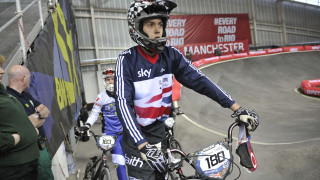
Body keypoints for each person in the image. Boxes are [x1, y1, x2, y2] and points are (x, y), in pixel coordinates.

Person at [114, 1, 260, 179]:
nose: (157, 29)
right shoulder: (126, 60)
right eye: (150, 24)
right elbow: (122, 104)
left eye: (160, 24)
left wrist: (237, 108)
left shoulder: (171, 55)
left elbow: (200, 81)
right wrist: (142, 144)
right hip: (138, 140)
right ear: (136, 28)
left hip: (161, 134)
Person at [6, 65, 54, 180]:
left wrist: (38, 116)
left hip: (40, 146)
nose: (30, 79)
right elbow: (27, 125)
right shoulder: (9, 99)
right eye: (28, 77)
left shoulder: (25, 95)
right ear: (22, 78)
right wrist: (39, 115)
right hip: (31, 150)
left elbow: (46, 111)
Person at [79, 68, 128, 180]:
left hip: (126, 133)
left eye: (113, 79)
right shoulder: (101, 97)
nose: (110, 82)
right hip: (110, 134)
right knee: (119, 163)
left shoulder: (125, 93)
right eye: (107, 79)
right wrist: (87, 125)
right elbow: (94, 113)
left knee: (132, 161)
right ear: (104, 82)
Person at [0, 55, 39, 180]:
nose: (2, 71)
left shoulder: (4, 96)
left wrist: (30, 131)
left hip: (25, 166)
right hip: (13, 169)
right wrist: (13, 139)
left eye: (0, 66)